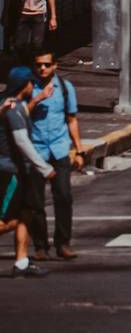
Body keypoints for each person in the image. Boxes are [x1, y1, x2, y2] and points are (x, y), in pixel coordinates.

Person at [24, 52, 78, 263]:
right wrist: (37, 99)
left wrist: (79, 149)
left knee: (64, 196)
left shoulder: (65, 88)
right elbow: (21, 115)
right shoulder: (29, 88)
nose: (43, 69)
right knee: (36, 200)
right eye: (39, 65)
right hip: (36, 150)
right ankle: (40, 246)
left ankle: (63, 243)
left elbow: (72, 119)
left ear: (55, 66)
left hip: (59, 148)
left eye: (47, 65)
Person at [1, 66, 51, 278]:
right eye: (32, 82)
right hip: (11, 170)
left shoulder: (18, 105)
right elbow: (22, 141)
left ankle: (21, 262)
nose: (34, 85)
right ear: (25, 85)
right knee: (7, 220)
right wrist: (44, 167)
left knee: (25, 214)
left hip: (22, 170)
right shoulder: (12, 108)